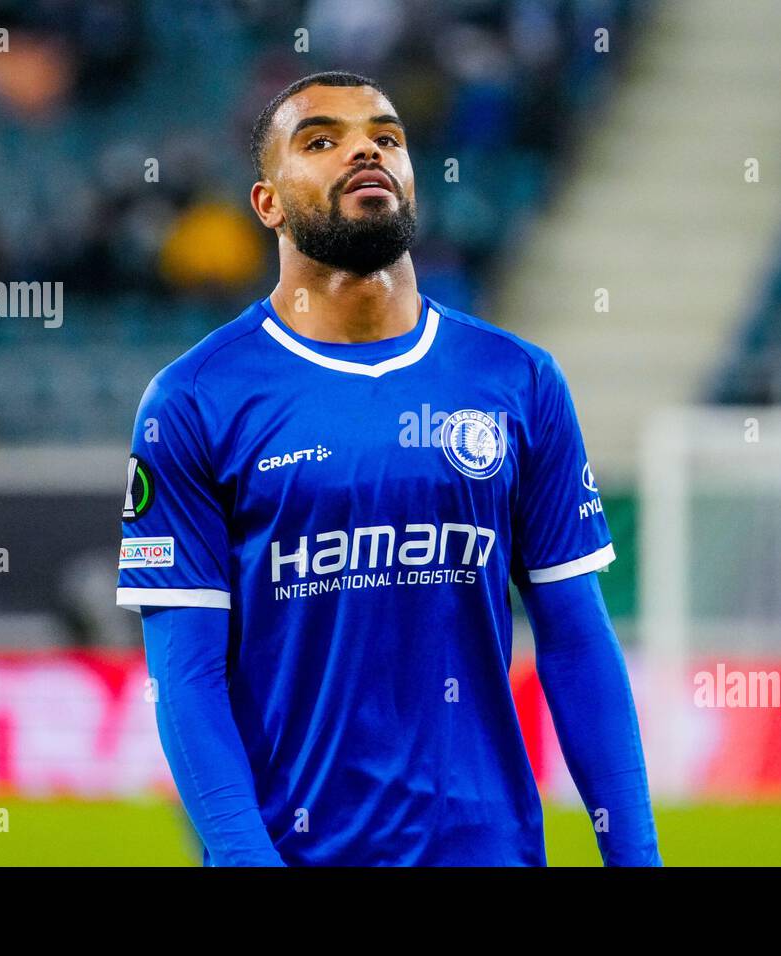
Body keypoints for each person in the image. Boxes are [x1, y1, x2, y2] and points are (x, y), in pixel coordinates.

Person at [116, 71, 660, 866]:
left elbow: (577, 642)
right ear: (267, 202)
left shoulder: (516, 380)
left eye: (387, 136)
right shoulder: (194, 400)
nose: (365, 148)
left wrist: (636, 858)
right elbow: (186, 677)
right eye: (321, 140)